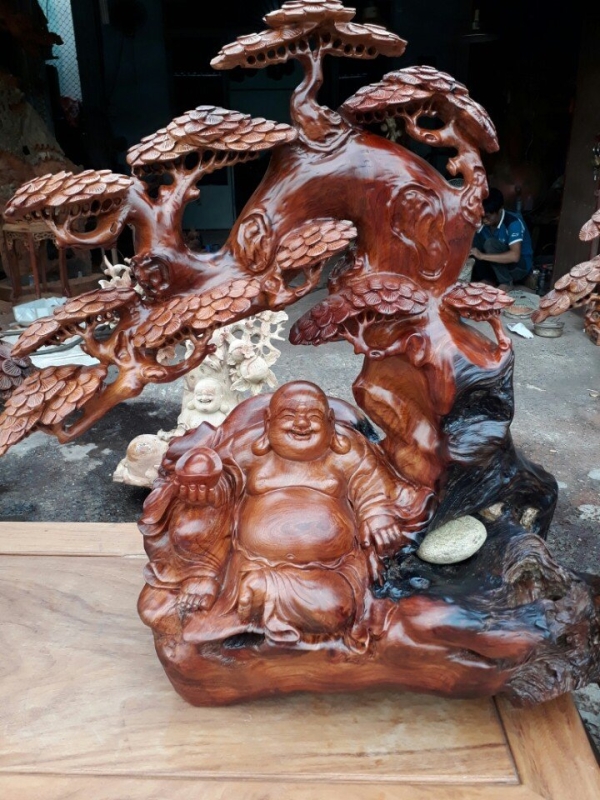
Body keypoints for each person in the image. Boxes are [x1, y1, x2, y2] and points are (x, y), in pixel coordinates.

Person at [470, 188, 533, 287]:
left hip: (518, 268)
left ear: (500, 211)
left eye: (488, 216)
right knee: (474, 237)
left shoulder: (513, 223)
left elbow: (515, 256)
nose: (484, 220)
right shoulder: (484, 223)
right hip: (497, 266)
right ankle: (488, 279)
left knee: (490, 244)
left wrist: (482, 256)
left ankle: (506, 282)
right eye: (482, 216)